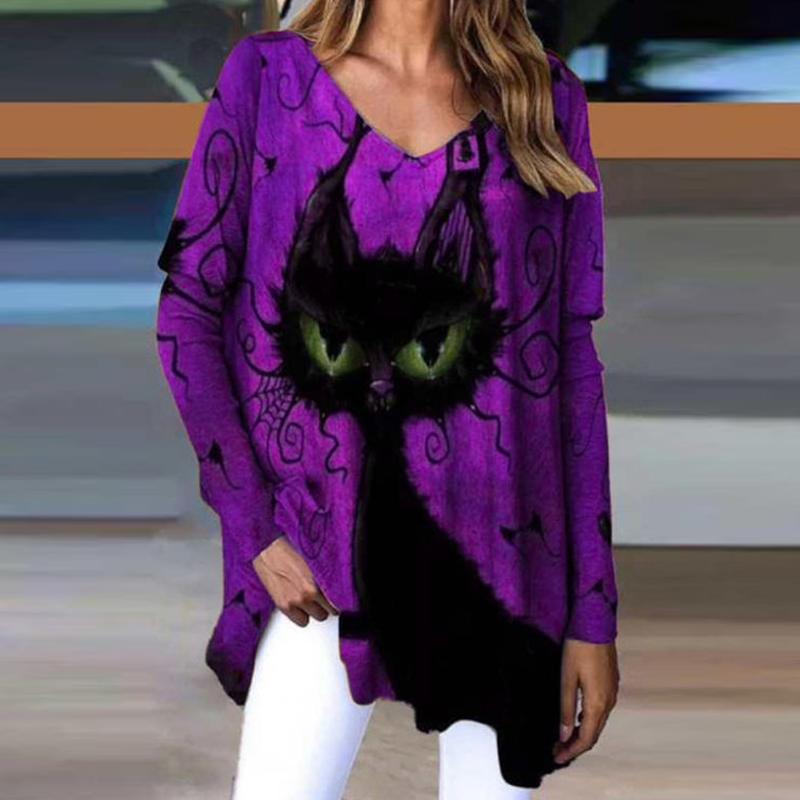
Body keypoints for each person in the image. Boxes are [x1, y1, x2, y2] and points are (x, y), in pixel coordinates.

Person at [155, 1, 621, 797]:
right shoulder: (267, 79)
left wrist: (593, 613)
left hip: (510, 566)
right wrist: (254, 524)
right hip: (319, 547)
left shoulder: (543, 98)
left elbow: (570, 364)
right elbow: (187, 313)